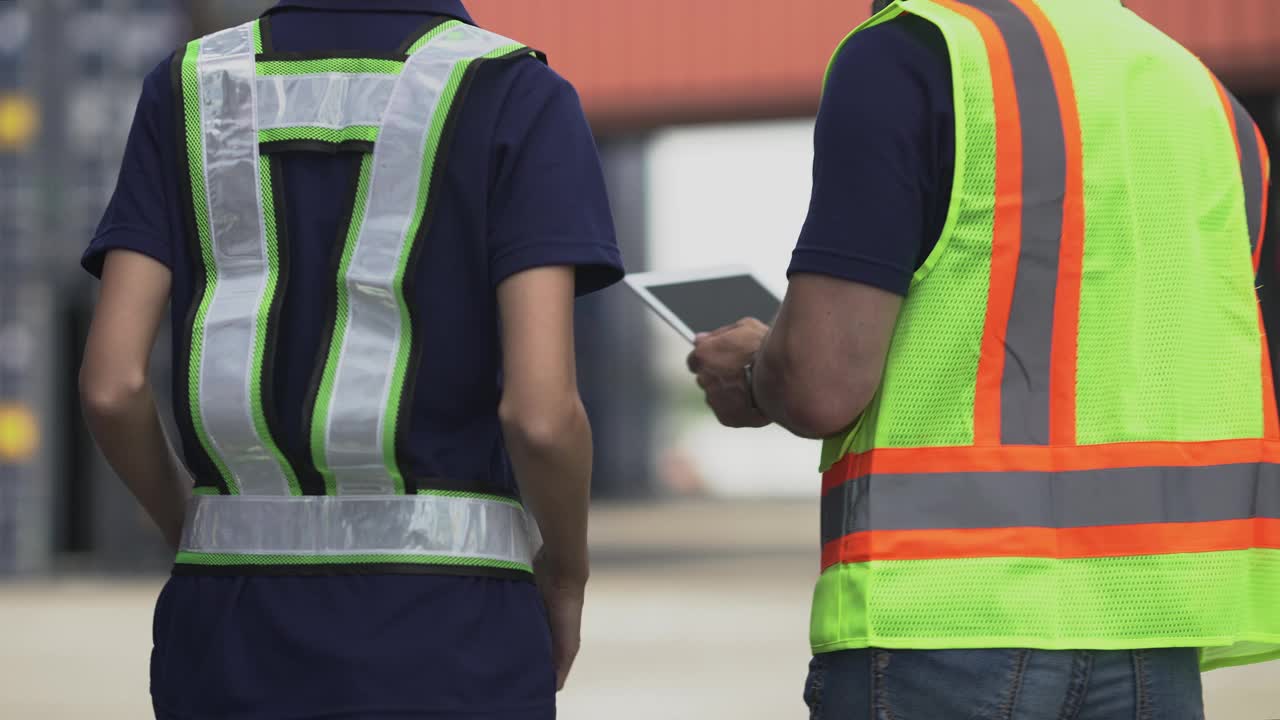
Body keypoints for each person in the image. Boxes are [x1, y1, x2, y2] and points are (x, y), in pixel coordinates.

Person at [687, 0, 1276, 717]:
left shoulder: (914, 52)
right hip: (1154, 632)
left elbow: (819, 382)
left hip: (942, 626)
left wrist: (753, 371)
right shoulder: (1205, 96)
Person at [78, 1, 623, 717]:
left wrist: (197, 529)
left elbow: (112, 386)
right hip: (451, 638)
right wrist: (566, 576)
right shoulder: (516, 92)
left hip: (225, 635)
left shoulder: (186, 85)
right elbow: (542, 415)